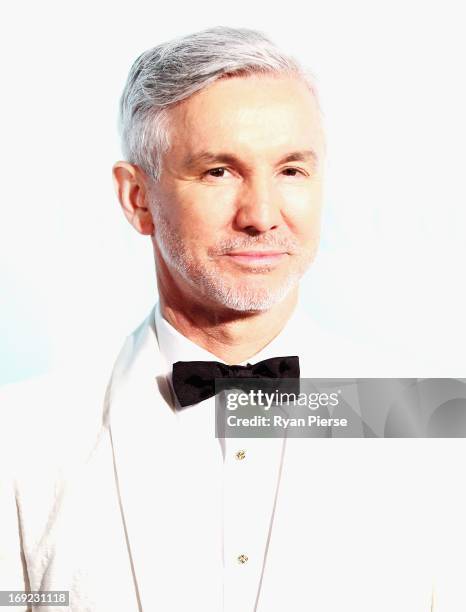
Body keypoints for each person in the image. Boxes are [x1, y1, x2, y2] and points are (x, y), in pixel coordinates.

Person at [0, 25, 463, 612]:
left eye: (291, 170)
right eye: (219, 171)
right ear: (137, 198)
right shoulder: (18, 441)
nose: (262, 215)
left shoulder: (436, 433)